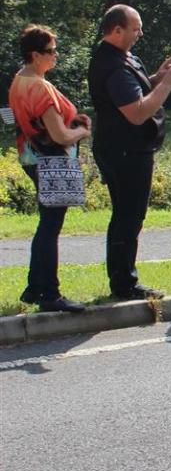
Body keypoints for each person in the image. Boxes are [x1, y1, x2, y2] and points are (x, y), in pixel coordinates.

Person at [88, 4, 171, 300]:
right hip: (124, 151)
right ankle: (124, 283)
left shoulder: (124, 58)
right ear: (116, 30)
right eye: (135, 28)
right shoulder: (113, 66)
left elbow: (138, 90)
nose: (140, 33)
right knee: (128, 216)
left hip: (130, 149)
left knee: (130, 215)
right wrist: (167, 86)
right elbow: (137, 112)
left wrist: (157, 77)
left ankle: (124, 279)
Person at [9, 25, 91, 313]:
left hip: (31, 158)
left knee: (46, 223)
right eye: (51, 51)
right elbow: (60, 135)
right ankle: (50, 294)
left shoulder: (19, 80)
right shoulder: (39, 87)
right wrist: (82, 130)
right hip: (52, 162)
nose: (56, 55)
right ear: (35, 55)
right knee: (50, 226)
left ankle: (35, 287)